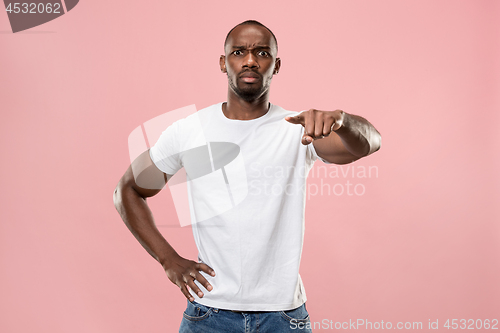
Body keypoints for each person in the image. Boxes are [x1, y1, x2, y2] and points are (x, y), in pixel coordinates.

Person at [113, 20, 381, 333]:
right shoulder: (189, 130)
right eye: (239, 52)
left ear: (276, 65)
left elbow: (369, 143)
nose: (250, 60)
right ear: (223, 62)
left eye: (262, 53)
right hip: (209, 314)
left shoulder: (298, 129)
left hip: (282, 317)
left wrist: (342, 120)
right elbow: (127, 191)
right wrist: (168, 260)